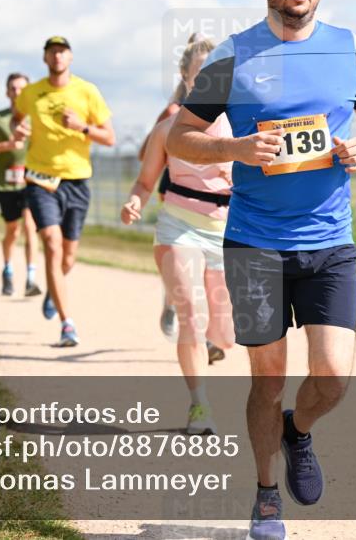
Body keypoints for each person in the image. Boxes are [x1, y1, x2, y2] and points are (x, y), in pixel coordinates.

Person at [166, 0, 356, 540]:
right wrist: (236, 146)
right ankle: (267, 496)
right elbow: (178, 137)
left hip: (329, 243)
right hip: (255, 245)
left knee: (333, 378)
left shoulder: (348, 49)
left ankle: (300, 430)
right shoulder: (233, 57)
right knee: (265, 379)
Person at [121, 35, 235, 434]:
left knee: (225, 335)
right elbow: (144, 181)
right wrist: (135, 201)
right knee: (193, 316)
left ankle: (206, 339)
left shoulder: (243, 129)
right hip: (179, 227)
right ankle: (199, 406)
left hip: (226, 233)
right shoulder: (168, 129)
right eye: (197, 75)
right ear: (186, 81)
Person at [12, 36, 115, 347]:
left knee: (68, 256)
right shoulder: (31, 93)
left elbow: (109, 137)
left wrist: (82, 127)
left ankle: (53, 291)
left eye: (62, 52)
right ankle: (67, 323)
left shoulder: (87, 91)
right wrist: (18, 130)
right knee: (52, 246)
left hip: (77, 180)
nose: (57, 57)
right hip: (40, 178)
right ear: (45, 58)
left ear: (70, 57)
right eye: (51, 52)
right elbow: (18, 119)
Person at [0, 73, 42, 297]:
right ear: (7, 92)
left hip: (32, 180)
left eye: (22, 88)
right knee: (12, 230)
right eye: (13, 88)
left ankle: (31, 277)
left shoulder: (36, 118)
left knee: (31, 226)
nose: (17, 93)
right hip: (5, 183)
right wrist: (7, 144)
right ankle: (7, 269)